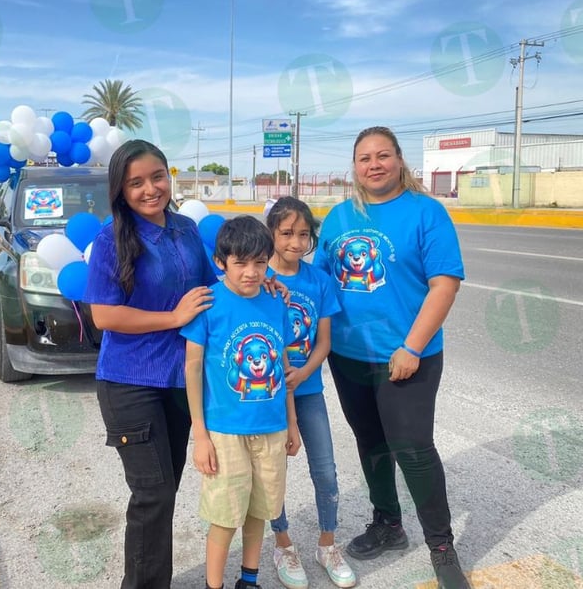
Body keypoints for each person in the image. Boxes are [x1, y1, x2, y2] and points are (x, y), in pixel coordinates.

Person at [314, 126, 469, 589]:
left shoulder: (426, 213)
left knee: (414, 450)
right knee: (372, 445)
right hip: (347, 356)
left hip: (407, 358)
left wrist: (412, 347)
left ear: (399, 160)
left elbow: (445, 285)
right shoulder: (340, 216)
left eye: (383, 155)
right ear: (355, 166)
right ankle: (388, 523)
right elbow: (319, 283)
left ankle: (441, 546)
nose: (374, 164)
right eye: (364, 158)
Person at [83, 139, 218, 588]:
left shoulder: (184, 230)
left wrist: (263, 288)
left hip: (180, 381)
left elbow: (211, 289)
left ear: (168, 176)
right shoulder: (110, 240)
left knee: (165, 491)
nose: (149, 189)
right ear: (120, 190)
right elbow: (104, 316)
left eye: (157, 177)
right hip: (129, 383)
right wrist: (174, 317)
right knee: (153, 494)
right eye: (135, 183)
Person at [181, 216, 300, 589]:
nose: (251, 272)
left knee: (259, 511)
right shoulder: (209, 304)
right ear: (220, 261)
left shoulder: (275, 302)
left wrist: (292, 424)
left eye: (260, 262)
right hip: (225, 432)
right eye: (240, 263)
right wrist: (200, 437)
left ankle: (249, 580)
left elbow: (282, 369)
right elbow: (192, 369)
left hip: (272, 429)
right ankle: (212, 585)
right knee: (224, 516)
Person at [265, 197, 356, 589]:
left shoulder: (318, 281)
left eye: (304, 235)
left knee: (326, 471)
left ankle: (327, 543)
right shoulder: (257, 277)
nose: (296, 242)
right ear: (271, 233)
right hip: (266, 397)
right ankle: (283, 543)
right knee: (273, 475)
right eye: (286, 233)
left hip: (308, 388)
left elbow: (323, 341)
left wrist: (302, 374)